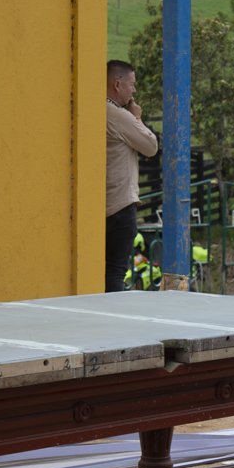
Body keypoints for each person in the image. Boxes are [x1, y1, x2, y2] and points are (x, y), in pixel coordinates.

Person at [105, 60, 158, 293]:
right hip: (120, 202)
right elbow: (150, 146)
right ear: (118, 84)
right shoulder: (118, 115)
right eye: (132, 84)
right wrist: (137, 118)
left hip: (102, 200)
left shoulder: (96, 108)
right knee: (116, 271)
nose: (134, 90)